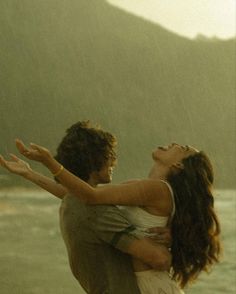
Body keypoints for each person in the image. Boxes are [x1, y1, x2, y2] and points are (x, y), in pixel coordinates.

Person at [11, 138, 221, 293]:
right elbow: (77, 196)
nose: (174, 142)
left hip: (150, 286)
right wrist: (30, 173)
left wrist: (50, 162)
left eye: (182, 148)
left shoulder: (157, 189)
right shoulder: (147, 189)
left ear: (178, 165)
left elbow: (90, 195)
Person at [0, 121, 171, 294]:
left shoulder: (73, 203)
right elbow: (160, 259)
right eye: (110, 155)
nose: (114, 161)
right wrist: (177, 250)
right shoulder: (96, 211)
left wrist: (30, 173)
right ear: (95, 160)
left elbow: (70, 192)